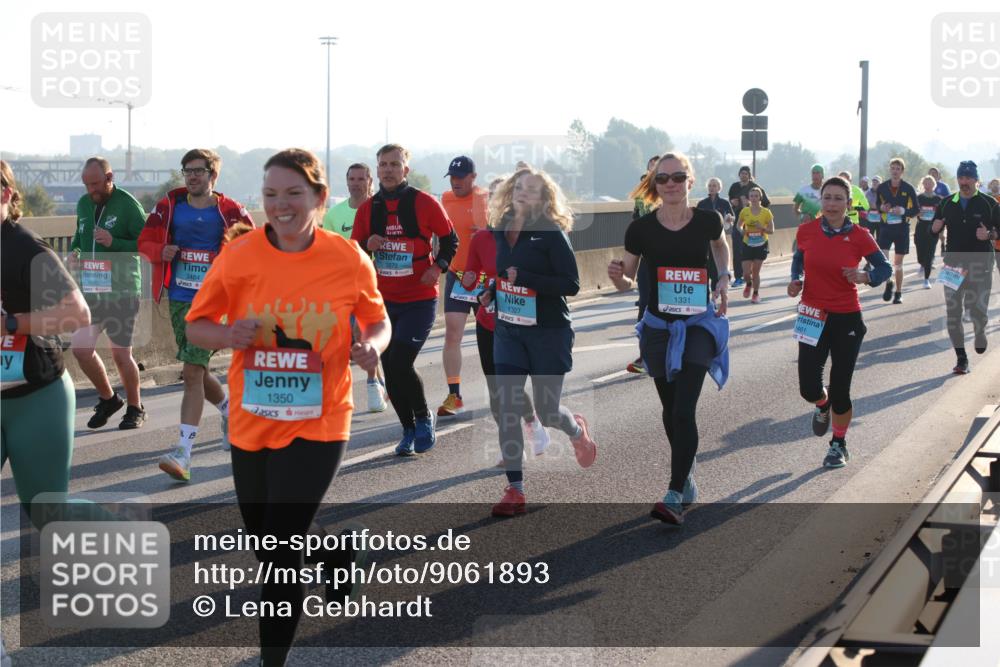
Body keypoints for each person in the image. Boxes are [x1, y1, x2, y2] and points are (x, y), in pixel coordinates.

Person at [185, 148, 391, 667]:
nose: (281, 205)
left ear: (319, 198)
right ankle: (333, 553)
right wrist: (229, 332)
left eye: (294, 193)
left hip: (321, 418)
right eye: (272, 194)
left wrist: (374, 347)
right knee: (269, 542)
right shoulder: (240, 255)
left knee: (277, 556)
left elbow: (376, 321)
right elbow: (195, 326)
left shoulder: (347, 258)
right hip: (252, 419)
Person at [608, 153, 731, 525]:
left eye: (678, 176)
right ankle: (687, 475)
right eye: (663, 179)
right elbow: (627, 278)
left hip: (697, 325)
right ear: (654, 184)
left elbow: (721, 246)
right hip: (659, 328)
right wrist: (617, 277)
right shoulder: (641, 229)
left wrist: (724, 275)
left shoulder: (708, 220)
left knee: (683, 409)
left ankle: (675, 493)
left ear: (690, 181)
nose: (671, 184)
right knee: (669, 407)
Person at [479, 167, 597, 517]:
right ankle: (514, 489)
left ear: (544, 198)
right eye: (518, 187)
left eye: (531, 189)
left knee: (547, 411)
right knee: (507, 403)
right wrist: (491, 291)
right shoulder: (501, 227)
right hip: (509, 330)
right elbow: (504, 274)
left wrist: (526, 278)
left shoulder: (550, 232)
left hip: (548, 332)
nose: (522, 192)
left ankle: (576, 431)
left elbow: (571, 284)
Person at [137, 148, 256, 481]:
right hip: (178, 296)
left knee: (191, 372)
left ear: (212, 176)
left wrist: (225, 259)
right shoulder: (169, 206)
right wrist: (161, 250)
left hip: (215, 301)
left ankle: (184, 454)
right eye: (187, 171)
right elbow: (144, 241)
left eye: (199, 171)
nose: (192, 176)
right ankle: (231, 411)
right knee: (198, 368)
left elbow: (253, 247)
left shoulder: (230, 210)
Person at [2, 160, 93, 524]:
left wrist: (10, 323)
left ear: (6, 194)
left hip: (35, 397)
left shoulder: (24, 247)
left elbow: (77, 314)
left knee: (48, 512)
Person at [351, 144, 458, 455]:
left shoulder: (425, 203)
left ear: (405, 170)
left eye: (394, 164)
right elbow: (353, 253)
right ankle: (408, 429)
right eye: (383, 164)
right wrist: (365, 244)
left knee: (400, 360)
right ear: (377, 170)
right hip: (382, 302)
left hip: (419, 299)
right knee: (389, 364)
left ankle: (423, 418)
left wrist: (438, 267)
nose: (388, 169)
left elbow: (451, 239)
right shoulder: (368, 210)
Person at [788, 176, 892, 469]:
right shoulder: (807, 231)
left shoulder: (860, 235)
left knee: (840, 388)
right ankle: (822, 406)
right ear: (820, 201)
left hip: (846, 316)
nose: (832, 204)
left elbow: (883, 267)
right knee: (808, 387)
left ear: (848, 203)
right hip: (811, 315)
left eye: (838, 199)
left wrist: (865, 276)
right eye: (827, 198)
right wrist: (795, 281)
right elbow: (799, 260)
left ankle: (838, 444)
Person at [69, 157, 148, 429]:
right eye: (86, 184)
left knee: (120, 354)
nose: (91, 190)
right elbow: (79, 238)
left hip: (123, 290)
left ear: (109, 177)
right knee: (81, 348)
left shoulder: (128, 205)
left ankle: (135, 407)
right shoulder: (82, 204)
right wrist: (75, 253)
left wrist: (115, 242)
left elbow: (147, 244)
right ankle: (109, 398)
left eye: (95, 183)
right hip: (92, 289)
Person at [462, 221, 549, 464]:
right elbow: (470, 277)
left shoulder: (530, 237)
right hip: (488, 322)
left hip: (518, 322)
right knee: (495, 388)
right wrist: (468, 279)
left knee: (511, 386)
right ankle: (510, 446)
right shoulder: (480, 239)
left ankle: (531, 422)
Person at [322, 163, 387, 413]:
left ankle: (377, 382)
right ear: (346, 181)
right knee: (361, 336)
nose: (356, 183)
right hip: (351, 285)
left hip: (386, 282)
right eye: (352, 178)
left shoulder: (380, 209)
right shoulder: (334, 215)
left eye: (361, 178)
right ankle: (374, 384)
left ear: (370, 181)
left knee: (374, 338)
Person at [929, 161, 1000, 374]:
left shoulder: (990, 203)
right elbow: (934, 227)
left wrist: (989, 235)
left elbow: (998, 231)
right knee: (953, 312)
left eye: (969, 177)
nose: (964, 181)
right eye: (961, 177)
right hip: (953, 263)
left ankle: (980, 331)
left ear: (976, 180)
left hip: (980, 262)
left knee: (978, 310)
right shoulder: (946, 203)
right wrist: (934, 229)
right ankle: (961, 358)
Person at [437, 156, 489, 417]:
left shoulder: (484, 198)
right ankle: (454, 395)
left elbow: (484, 230)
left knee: (488, 336)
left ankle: (500, 388)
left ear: (473, 177)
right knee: (452, 334)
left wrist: (480, 200)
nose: (456, 182)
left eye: (461, 177)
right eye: (452, 177)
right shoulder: (445, 199)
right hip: (458, 276)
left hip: (483, 279)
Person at [627, 155, 660, 374]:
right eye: (652, 165)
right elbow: (636, 218)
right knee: (645, 305)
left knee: (668, 306)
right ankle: (644, 355)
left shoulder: (672, 190)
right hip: (647, 257)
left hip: (669, 257)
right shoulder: (641, 193)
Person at [875, 157, 920, 304]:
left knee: (898, 264)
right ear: (890, 170)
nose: (895, 171)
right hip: (886, 228)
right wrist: (882, 208)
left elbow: (916, 210)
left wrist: (903, 211)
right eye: (893, 168)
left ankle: (899, 293)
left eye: (898, 169)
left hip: (901, 230)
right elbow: (877, 205)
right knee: (885, 260)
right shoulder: (882, 187)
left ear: (902, 171)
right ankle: (889, 282)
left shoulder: (908, 188)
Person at [728, 166, 770, 287]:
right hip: (738, 221)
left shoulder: (755, 188)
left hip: (753, 225)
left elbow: (767, 204)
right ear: (739, 174)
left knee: (751, 250)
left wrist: (752, 205)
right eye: (741, 173)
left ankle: (750, 273)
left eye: (746, 173)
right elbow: (730, 200)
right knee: (737, 249)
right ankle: (738, 277)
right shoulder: (734, 186)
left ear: (749, 175)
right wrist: (733, 202)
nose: (743, 175)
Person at [696, 177, 735, 292]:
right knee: (704, 268)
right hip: (704, 240)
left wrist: (729, 219)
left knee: (715, 269)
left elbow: (732, 217)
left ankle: (714, 296)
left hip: (718, 240)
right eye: (710, 186)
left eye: (714, 186)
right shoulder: (702, 203)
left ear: (719, 188)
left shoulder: (724, 202)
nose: (712, 188)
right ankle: (705, 296)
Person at [736, 187, 774, 304]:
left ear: (760, 197)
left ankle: (756, 294)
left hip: (761, 244)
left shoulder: (766, 212)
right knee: (746, 273)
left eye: (756, 196)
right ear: (749, 198)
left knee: (755, 272)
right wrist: (741, 230)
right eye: (751, 196)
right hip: (748, 243)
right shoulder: (745, 211)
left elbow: (771, 230)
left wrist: (761, 228)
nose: (753, 198)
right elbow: (738, 225)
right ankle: (748, 284)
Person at [915, 175, 944, 288]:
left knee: (930, 253)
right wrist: (917, 213)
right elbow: (912, 211)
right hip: (921, 227)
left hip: (933, 229)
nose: (927, 185)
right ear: (923, 185)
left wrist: (941, 230)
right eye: (925, 183)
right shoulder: (919, 198)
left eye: (930, 183)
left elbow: (942, 215)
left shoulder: (938, 199)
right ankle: (921, 263)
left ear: (934, 185)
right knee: (920, 254)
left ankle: (926, 280)